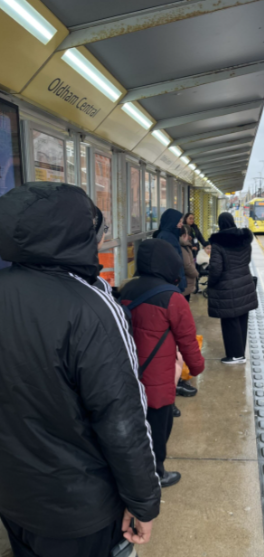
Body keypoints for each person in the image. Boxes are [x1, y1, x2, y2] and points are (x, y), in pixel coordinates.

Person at [0, 183, 160, 557]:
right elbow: (122, 418)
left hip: (12, 495)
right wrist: (143, 501)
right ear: (74, 236)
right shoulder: (91, 308)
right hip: (78, 508)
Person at [120, 239, 205, 487]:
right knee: (158, 429)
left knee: (133, 427)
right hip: (157, 379)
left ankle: (132, 470)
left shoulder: (126, 289)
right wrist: (197, 367)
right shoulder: (172, 297)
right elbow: (188, 340)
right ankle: (155, 474)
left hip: (128, 373)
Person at [208, 212, 258, 365]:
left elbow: (216, 269)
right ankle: (240, 352)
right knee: (242, 319)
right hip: (244, 282)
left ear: (220, 224)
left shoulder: (218, 244)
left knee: (230, 321)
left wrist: (211, 283)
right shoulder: (244, 240)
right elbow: (247, 260)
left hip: (227, 286)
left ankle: (235, 355)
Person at [154, 208, 187, 292]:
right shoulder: (169, 237)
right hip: (172, 282)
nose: (181, 224)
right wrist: (177, 282)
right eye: (179, 222)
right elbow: (174, 261)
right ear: (172, 222)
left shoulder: (164, 235)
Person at [180, 224, 199, 302]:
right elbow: (187, 265)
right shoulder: (183, 247)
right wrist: (196, 273)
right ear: (184, 235)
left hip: (186, 283)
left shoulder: (185, 245)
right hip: (186, 283)